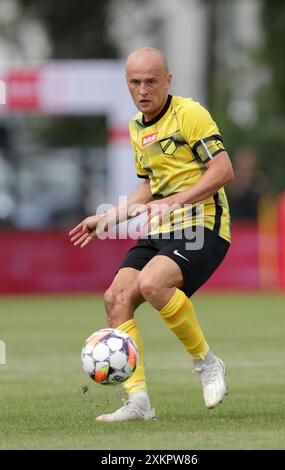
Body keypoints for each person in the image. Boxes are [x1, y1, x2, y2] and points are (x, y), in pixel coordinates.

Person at [69, 47, 234, 423]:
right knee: (116, 297)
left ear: (168, 81)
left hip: (203, 225)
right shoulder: (136, 127)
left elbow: (223, 171)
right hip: (162, 227)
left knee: (153, 283)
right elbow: (150, 188)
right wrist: (111, 216)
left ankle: (207, 364)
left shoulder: (190, 114)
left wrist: (176, 201)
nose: (142, 90)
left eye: (151, 82)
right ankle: (138, 400)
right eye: (134, 82)